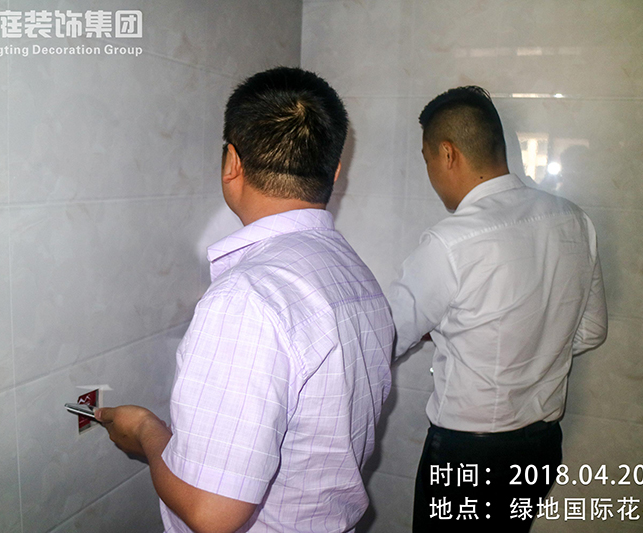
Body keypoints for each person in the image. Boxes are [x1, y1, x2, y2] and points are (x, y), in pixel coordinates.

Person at [96, 67, 395, 533]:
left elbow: (213, 513)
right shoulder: (355, 275)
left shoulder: (249, 297)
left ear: (231, 163)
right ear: (335, 172)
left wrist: (145, 431)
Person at [388, 86, 607, 531]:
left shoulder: (451, 241)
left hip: (468, 456)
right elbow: (591, 330)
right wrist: (536, 342)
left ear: (448, 154)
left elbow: (387, 336)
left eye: (428, 159)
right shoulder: (573, 220)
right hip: (540, 448)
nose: (430, 173)